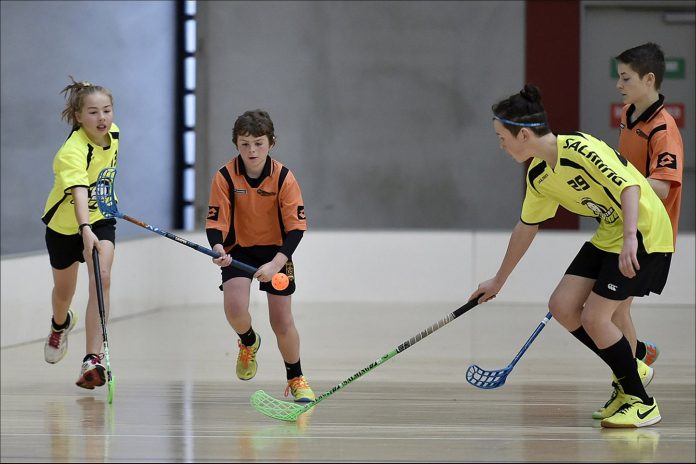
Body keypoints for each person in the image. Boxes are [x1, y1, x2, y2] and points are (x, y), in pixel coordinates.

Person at [471, 84, 673, 428]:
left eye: (501, 137)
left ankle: (641, 401)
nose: (500, 144)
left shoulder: (579, 148)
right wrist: (498, 280)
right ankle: (629, 370)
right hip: (610, 235)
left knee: (596, 318)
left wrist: (628, 240)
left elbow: (629, 186)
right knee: (562, 306)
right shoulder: (539, 175)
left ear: (522, 134)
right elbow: (526, 227)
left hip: (643, 234)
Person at [205, 109, 315, 402]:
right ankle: (249, 341)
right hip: (238, 251)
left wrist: (276, 263)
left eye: (258, 143)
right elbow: (216, 223)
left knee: (282, 321)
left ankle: (296, 378)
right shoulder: (225, 176)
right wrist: (218, 250)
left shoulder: (284, 178)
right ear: (236, 144)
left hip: (276, 253)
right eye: (244, 144)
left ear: (271, 142)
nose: (252, 150)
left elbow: (296, 229)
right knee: (235, 308)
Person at [42, 77, 119, 389]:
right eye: (92, 112)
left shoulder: (114, 134)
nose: (102, 118)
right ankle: (60, 324)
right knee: (64, 294)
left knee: (101, 277)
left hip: (101, 218)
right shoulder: (71, 152)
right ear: (77, 116)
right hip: (64, 226)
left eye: (107, 110)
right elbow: (77, 190)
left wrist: (94, 223)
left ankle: (92, 358)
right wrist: (83, 228)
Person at [611, 42, 684, 368]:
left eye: (625, 78)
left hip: (651, 234)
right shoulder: (628, 114)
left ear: (649, 79)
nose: (619, 85)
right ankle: (639, 355)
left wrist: (620, 181)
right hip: (628, 223)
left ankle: (634, 382)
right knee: (613, 308)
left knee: (612, 309)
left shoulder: (664, 130)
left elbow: (663, 187)